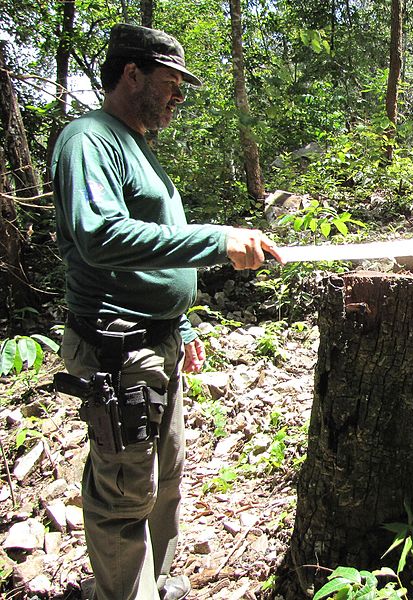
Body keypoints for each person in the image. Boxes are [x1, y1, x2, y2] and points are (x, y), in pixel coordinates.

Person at [50, 23, 283, 600]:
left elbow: (150, 246)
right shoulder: (90, 140)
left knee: (168, 478)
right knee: (124, 497)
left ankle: (163, 582)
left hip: (156, 344)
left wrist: (177, 323)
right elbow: (98, 236)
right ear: (133, 73)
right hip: (117, 347)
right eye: (172, 82)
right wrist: (216, 241)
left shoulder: (138, 149)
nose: (179, 96)